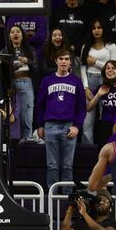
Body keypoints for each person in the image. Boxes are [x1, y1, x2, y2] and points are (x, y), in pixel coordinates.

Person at [36, 49, 86, 189]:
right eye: (61, 59)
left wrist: (77, 126)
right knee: (52, 165)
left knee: (67, 166)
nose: (63, 61)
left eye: (66, 59)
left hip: (69, 127)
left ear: (70, 62)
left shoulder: (76, 81)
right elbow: (39, 105)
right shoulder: (47, 81)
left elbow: (81, 108)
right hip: (50, 126)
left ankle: (66, 199)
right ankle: (53, 198)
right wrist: (40, 125)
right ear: (56, 61)